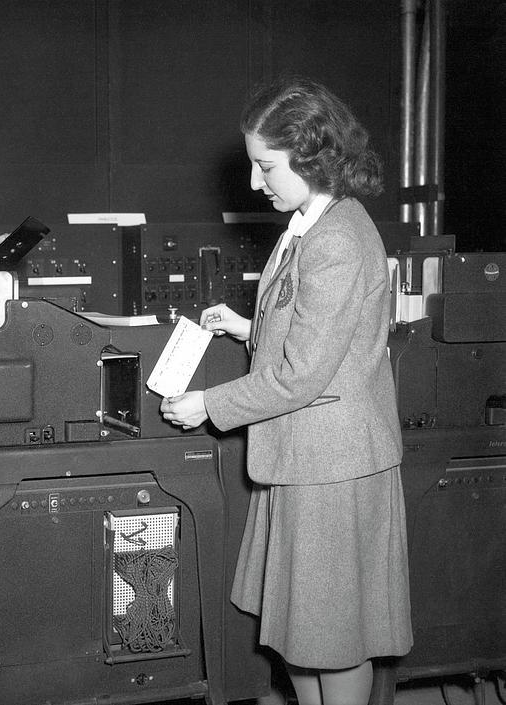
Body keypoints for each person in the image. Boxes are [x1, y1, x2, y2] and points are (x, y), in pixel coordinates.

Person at [160, 76, 413, 705]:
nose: (254, 182)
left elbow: (304, 374)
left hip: (332, 465)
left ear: (313, 156)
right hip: (304, 457)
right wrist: (249, 326)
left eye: (265, 166)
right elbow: (320, 334)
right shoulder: (307, 223)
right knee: (299, 638)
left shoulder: (339, 239)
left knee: (332, 642)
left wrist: (209, 405)